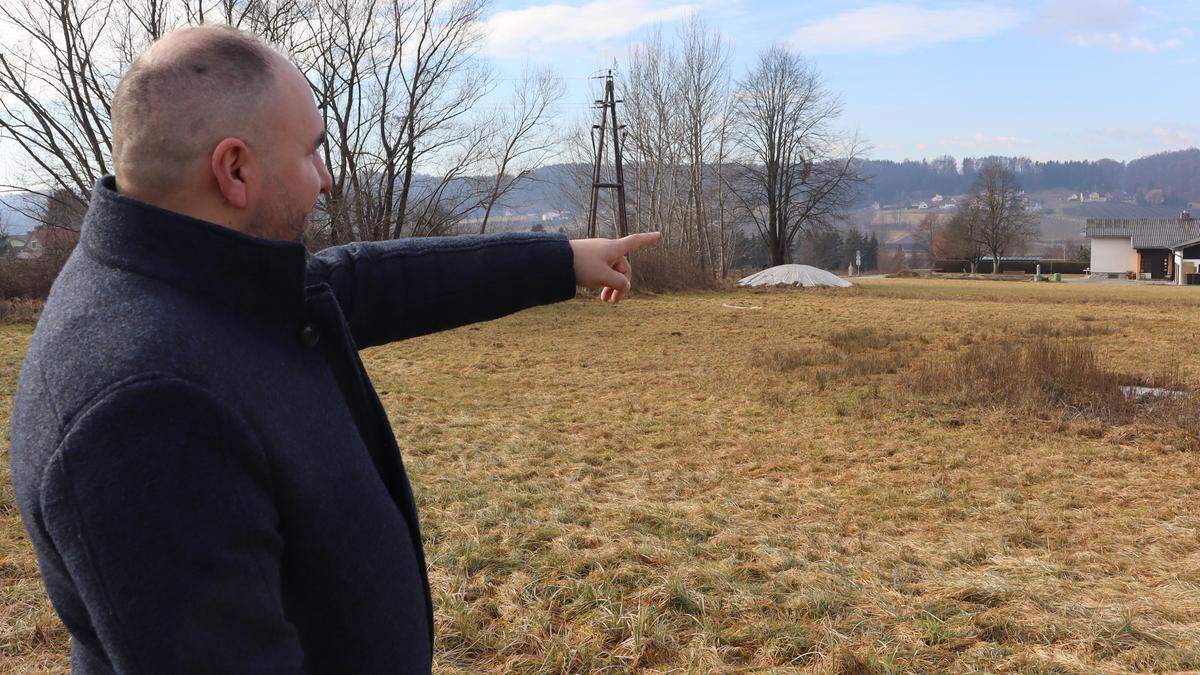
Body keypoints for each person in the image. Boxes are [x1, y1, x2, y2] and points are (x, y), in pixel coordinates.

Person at [9, 25, 659, 673]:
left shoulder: (194, 280)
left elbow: (366, 281)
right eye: (312, 152)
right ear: (234, 169)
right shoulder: (143, 413)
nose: (325, 179)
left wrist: (561, 260)